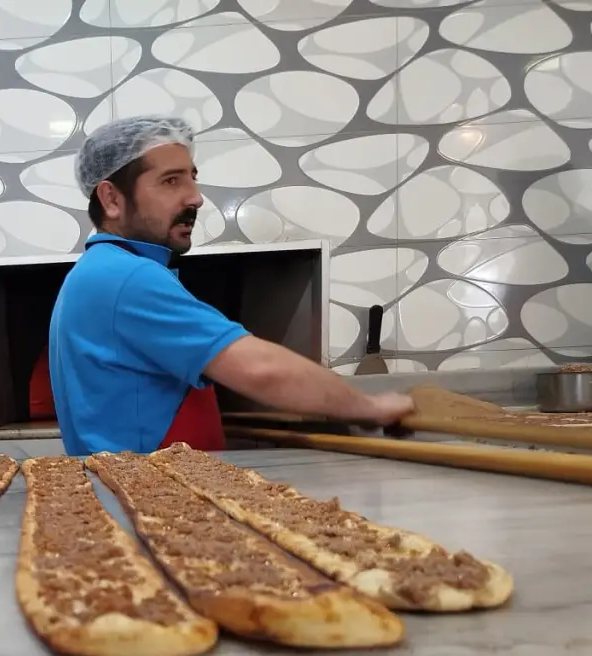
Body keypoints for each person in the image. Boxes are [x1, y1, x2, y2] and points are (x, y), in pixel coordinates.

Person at [49, 115, 415, 456]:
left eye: (192, 177)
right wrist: (372, 406)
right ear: (112, 199)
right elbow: (261, 370)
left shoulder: (99, 270)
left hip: (145, 488)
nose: (195, 197)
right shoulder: (126, 277)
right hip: (150, 494)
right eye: (171, 181)